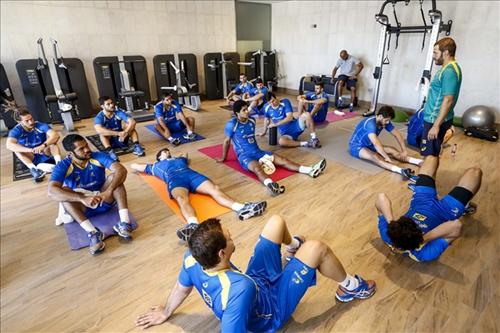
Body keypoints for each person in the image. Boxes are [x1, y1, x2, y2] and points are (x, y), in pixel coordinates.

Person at [135, 214, 376, 331]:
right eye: (229, 238)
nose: (232, 236)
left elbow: (182, 287)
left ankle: (292, 249)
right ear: (221, 253)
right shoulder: (239, 290)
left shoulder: (192, 258)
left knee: (276, 222)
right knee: (317, 248)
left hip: (256, 284)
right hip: (269, 312)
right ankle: (352, 287)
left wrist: (166, 310)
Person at [131, 147, 267, 242]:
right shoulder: (155, 166)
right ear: (159, 157)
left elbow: (185, 153)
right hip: (175, 179)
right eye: (164, 152)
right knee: (181, 198)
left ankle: (242, 208)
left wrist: (174, 156)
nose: (167, 152)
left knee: (215, 189)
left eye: (168, 151)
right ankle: (193, 225)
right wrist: (153, 162)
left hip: (192, 175)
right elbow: (134, 165)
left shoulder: (180, 159)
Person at [375, 155, 481, 262]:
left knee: (431, 158)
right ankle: (465, 205)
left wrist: (392, 225)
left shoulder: (389, 235)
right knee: (475, 172)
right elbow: (456, 226)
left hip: (421, 201)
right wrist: (422, 240)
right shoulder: (424, 254)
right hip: (446, 211)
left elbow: (381, 198)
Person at [48, 134, 134, 255]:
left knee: (116, 178)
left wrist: (108, 192)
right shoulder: (63, 165)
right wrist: (82, 199)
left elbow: (121, 170)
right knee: (64, 195)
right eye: (81, 149)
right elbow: (51, 191)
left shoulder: (97, 156)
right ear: (71, 153)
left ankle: (125, 223)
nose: (87, 150)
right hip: (83, 206)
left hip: (103, 197)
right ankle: (94, 233)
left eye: (86, 145)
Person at [218, 100, 326, 196]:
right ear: (237, 113)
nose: (248, 111)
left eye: (247, 109)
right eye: (244, 110)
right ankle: (271, 185)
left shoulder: (251, 121)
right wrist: (223, 158)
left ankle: (309, 170)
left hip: (258, 152)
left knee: (283, 160)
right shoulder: (232, 124)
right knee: (257, 169)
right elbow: (227, 141)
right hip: (244, 155)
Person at [349, 106, 422, 179]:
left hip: (369, 144)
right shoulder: (370, 124)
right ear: (380, 116)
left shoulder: (384, 122)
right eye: (386, 120)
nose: (387, 123)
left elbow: (397, 135)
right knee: (375, 157)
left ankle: (418, 161)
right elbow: (376, 143)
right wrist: (386, 157)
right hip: (357, 146)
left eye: (388, 121)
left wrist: (404, 150)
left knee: (392, 150)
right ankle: (401, 170)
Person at [421, 37, 462, 157]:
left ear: (446, 53)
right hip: (436, 118)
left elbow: (448, 99)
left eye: (435, 52)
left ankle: (425, 176)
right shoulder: (450, 68)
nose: (433, 56)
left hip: (435, 120)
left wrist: (436, 126)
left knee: (429, 157)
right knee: (432, 154)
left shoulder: (449, 71)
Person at [6, 109, 62, 182]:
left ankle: (59, 164)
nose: (31, 122)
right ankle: (34, 170)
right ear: (19, 122)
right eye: (27, 121)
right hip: (31, 155)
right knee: (16, 150)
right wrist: (31, 150)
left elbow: (56, 135)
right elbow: (9, 145)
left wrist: (43, 145)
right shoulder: (16, 130)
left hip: (44, 151)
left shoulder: (40, 125)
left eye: (31, 119)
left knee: (53, 142)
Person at [94, 96, 145, 160]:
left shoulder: (118, 112)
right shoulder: (99, 116)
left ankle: (137, 146)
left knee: (130, 126)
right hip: (110, 140)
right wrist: (118, 133)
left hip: (122, 137)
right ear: (102, 106)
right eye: (108, 104)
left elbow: (132, 121)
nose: (112, 105)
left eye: (112, 103)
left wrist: (126, 132)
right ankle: (110, 152)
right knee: (102, 134)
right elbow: (99, 130)